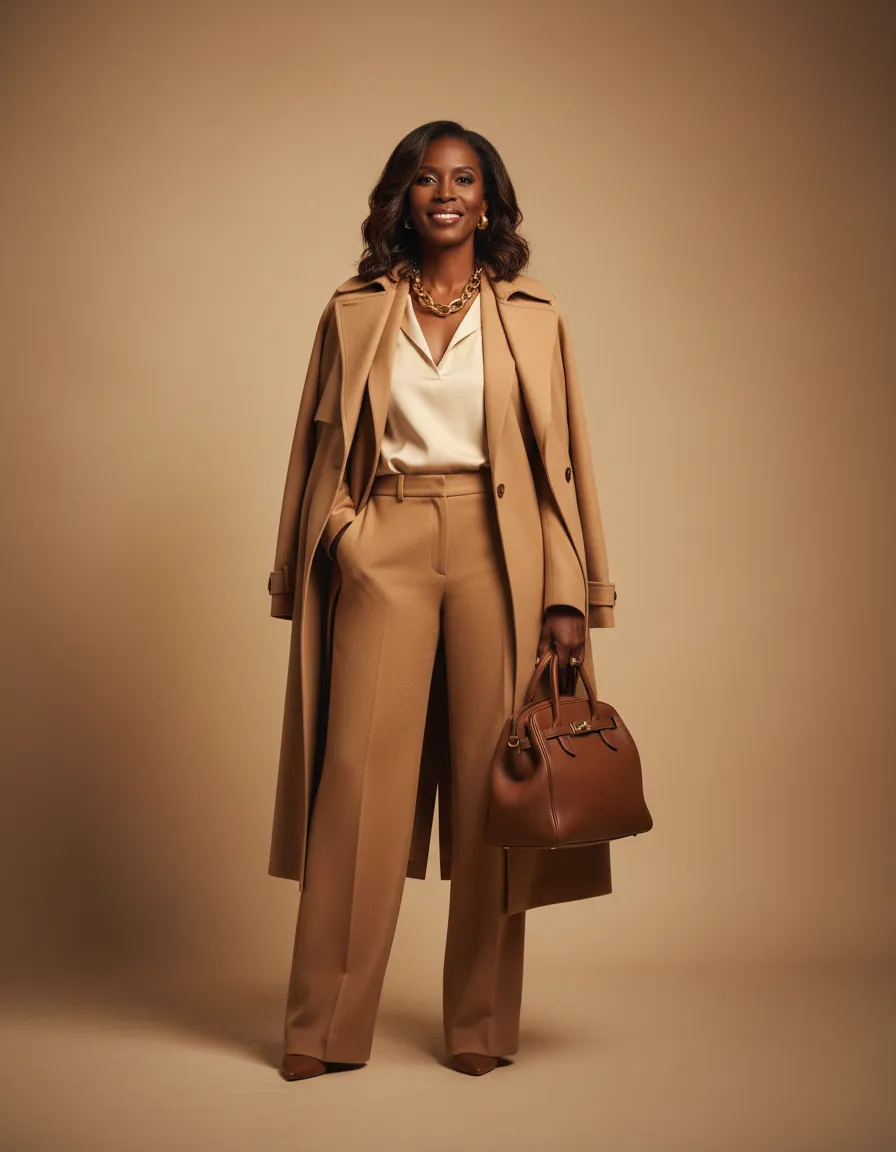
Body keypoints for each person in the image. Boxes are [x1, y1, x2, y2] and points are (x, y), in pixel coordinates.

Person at [266, 120, 618, 1081]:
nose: (447, 192)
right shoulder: (352, 309)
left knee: (491, 787)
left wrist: (565, 589)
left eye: (465, 178)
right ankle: (320, 1028)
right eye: (428, 178)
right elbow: (314, 445)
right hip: (384, 540)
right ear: (404, 198)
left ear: (489, 199)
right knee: (356, 788)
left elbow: (559, 469)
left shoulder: (534, 316)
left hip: (496, 550)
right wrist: (338, 536)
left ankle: (479, 1027)